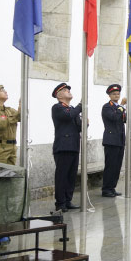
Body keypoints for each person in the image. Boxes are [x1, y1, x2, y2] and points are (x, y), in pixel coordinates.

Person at [51, 83, 82, 212]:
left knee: (71, 176)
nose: (68, 91)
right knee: (62, 176)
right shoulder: (57, 107)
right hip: (63, 146)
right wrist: (80, 107)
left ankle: (68, 200)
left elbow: (79, 127)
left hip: (74, 146)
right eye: (65, 90)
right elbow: (67, 116)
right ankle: (60, 202)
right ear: (59, 95)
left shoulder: (72, 109)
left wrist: (84, 122)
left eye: (69, 89)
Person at [101, 84, 126, 197]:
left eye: (118, 94)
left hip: (120, 140)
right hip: (111, 140)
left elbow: (128, 120)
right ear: (109, 96)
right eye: (114, 94)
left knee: (117, 165)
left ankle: (112, 187)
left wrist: (124, 110)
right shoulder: (107, 107)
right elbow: (114, 117)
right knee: (110, 165)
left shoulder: (120, 108)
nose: (116, 95)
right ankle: (106, 189)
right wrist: (121, 106)